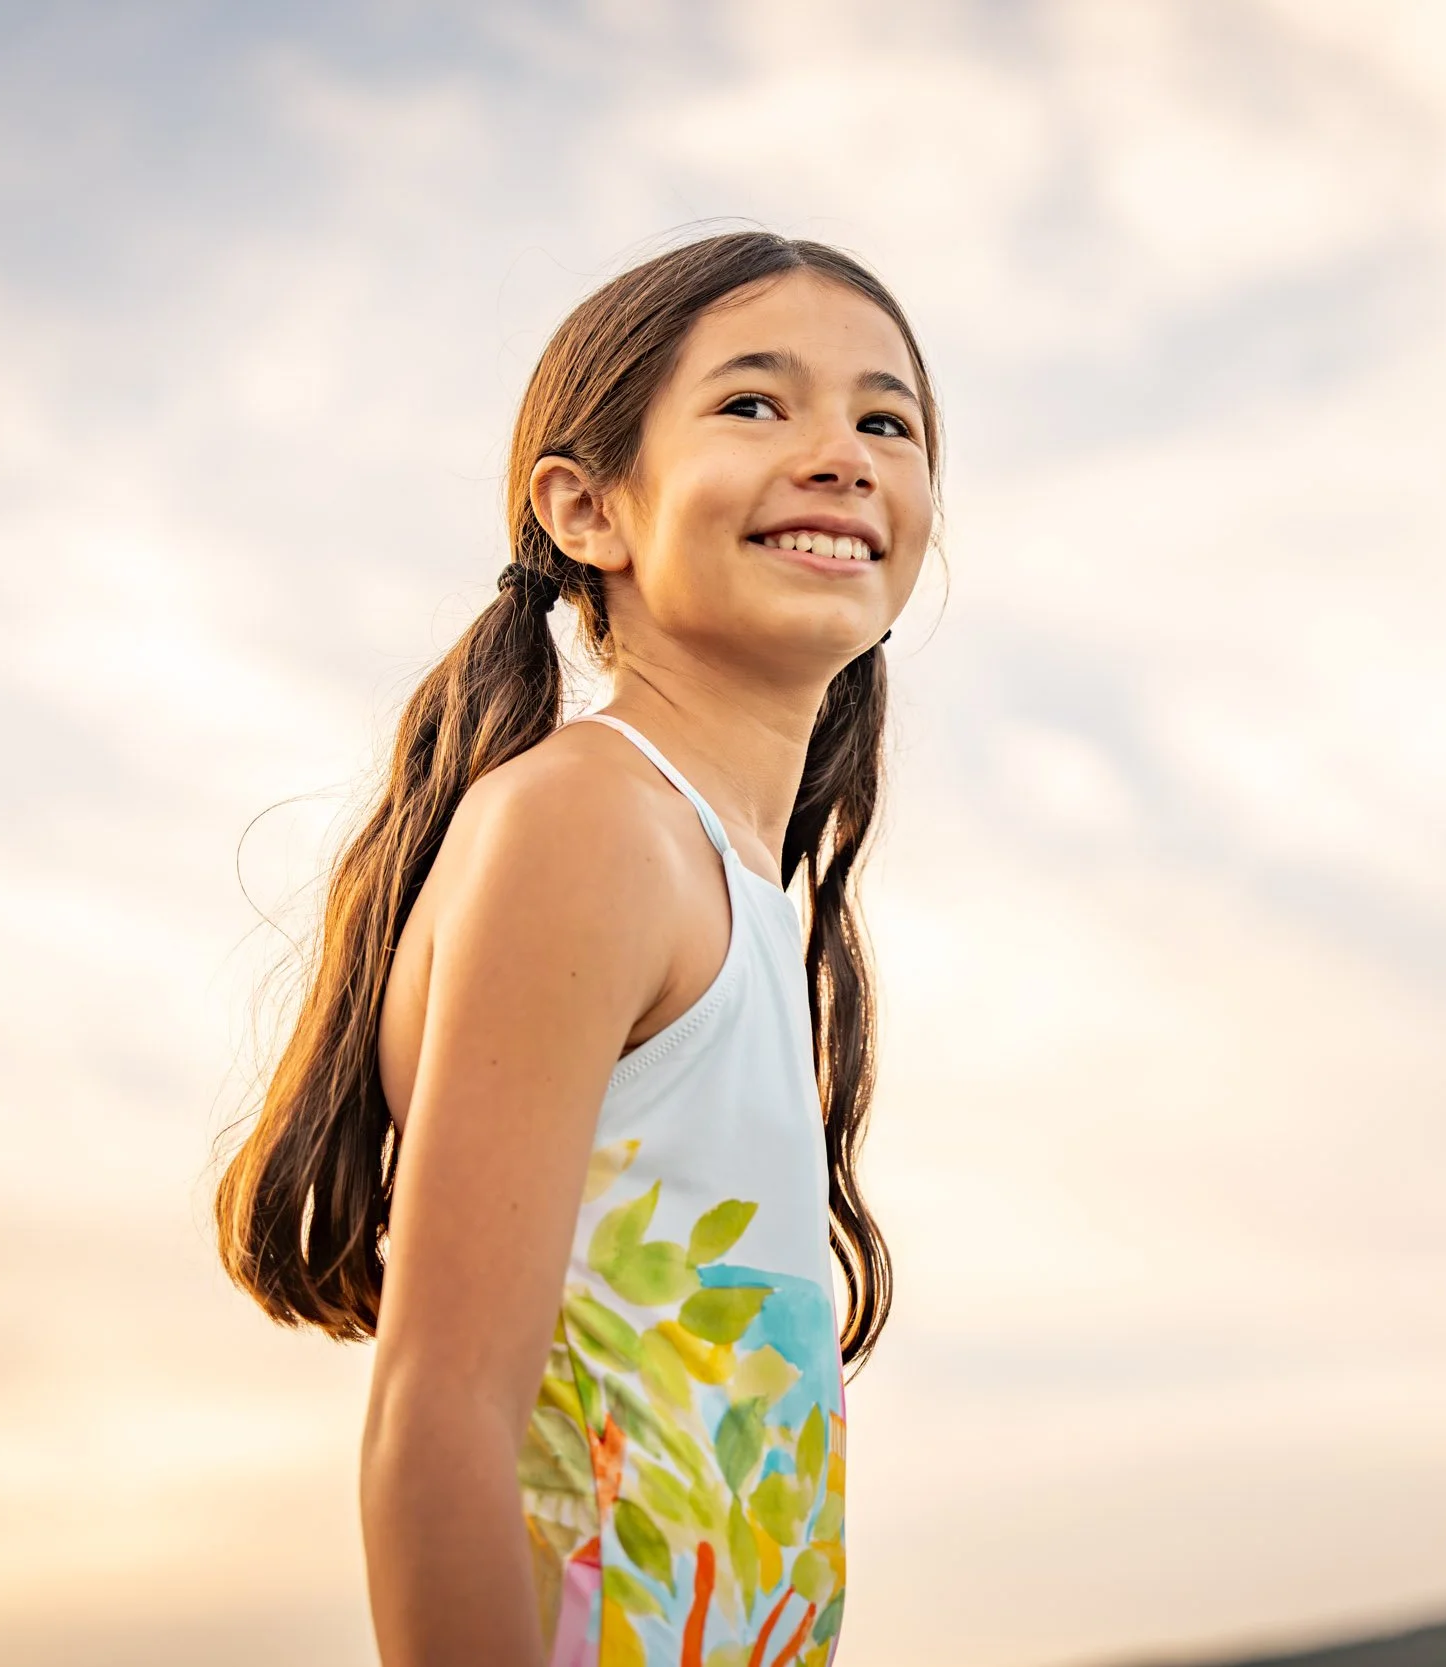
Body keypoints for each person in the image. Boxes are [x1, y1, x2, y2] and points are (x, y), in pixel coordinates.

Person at [213, 229, 937, 1667]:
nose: (841, 454)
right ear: (588, 506)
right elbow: (443, 1408)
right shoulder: (592, 823)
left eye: (885, 421)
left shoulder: (729, 879)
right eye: (754, 402)